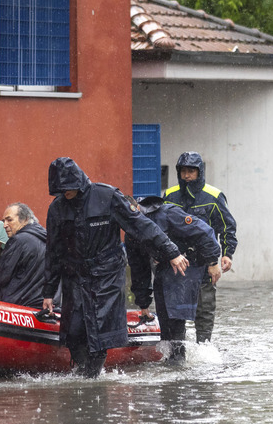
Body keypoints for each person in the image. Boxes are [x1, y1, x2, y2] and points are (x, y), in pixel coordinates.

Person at [42, 157, 188, 377]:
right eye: (61, 191)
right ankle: (83, 372)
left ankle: (90, 380)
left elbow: (142, 226)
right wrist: (48, 292)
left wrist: (172, 252)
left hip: (106, 274)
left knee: (99, 333)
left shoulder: (107, 196)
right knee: (73, 331)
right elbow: (53, 251)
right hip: (75, 275)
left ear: (78, 183)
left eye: (69, 189)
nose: (66, 194)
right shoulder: (57, 209)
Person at [124, 195, 221, 362]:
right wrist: (144, 303)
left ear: (136, 209)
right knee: (164, 314)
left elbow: (205, 232)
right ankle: (172, 355)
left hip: (191, 261)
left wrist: (213, 262)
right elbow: (139, 268)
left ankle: (182, 358)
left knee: (177, 312)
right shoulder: (131, 232)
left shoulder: (167, 214)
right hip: (165, 266)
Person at [163, 151, 238, 344]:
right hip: (178, 263)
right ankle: (177, 352)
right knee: (176, 311)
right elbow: (161, 227)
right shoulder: (170, 196)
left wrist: (227, 254)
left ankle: (204, 348)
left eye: (191, 171)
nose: (187, 175)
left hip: (206, 263)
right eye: (183, 171)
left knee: (204, 309)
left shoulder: (213, 196)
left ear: (200, 172)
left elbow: (227, 226)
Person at [0, 203, 47, 308]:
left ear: (25, 219)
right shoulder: (47, 240)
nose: (4, 225)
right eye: (3, 221)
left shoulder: (19, 240)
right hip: (44, 306)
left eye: (9, 220)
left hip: (17, 305)